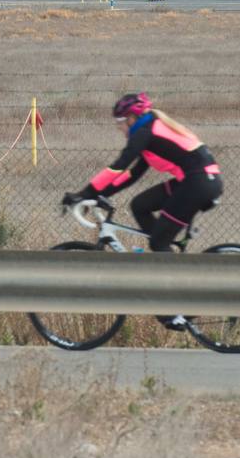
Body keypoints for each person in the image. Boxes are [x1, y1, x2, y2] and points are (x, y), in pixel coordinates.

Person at [61, 92, 223, 331]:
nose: (120, 129)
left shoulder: (145, 132)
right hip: (196, 180)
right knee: (139, 205)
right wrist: (99, 194)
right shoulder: (151, 131)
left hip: (198, 184)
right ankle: (160, 256)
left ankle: (177, 307)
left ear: (131, 118)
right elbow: (132, 175)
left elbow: (119, 165)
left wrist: (84, 193)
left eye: (120, 123)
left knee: (159, 241)